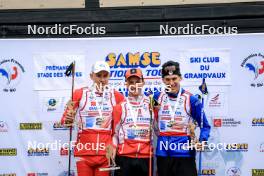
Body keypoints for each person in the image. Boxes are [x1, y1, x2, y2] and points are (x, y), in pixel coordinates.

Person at [61, 61, 124, 176]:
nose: (102, 79)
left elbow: (122, 125)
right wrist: (68, 119)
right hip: (84, 153)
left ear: (109, 76)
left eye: (105, 76)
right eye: (98, 75)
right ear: (91, 76)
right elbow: (64, 119)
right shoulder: (79, 93)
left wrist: (114, 145)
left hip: (105, 153)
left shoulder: (117, 96)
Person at [154, 60, 211, 176]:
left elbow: (205, 125)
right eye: (167, 79)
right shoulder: (156, 97)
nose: (171, 83)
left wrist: (202, 141)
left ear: (180, 78)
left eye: (174, 79)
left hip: (184, 153)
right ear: (163, 80)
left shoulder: (191, 99)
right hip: (163, 153)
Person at [112, 68, 154, 176]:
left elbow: (159, 130)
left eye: (137, 82)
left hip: (146, 157)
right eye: (131, 82)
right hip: (124, 158)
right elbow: (114, 134)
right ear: (126, 84)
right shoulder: (119, 107)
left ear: (143, 82)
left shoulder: (152, 105)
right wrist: (113, 147)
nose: (134, 85)